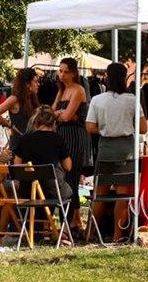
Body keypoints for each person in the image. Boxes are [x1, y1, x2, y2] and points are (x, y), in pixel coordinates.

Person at [85, 62, 148, 243]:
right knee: (123, 195)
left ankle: (91, 233)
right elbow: (144, 128)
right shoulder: (132, 100)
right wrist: (125, 126)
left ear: (106, 76)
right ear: (124, 78)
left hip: (106, 149)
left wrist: (106, 129)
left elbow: (89, 126)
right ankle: (117, 236)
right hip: (126, 150)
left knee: (100, 194)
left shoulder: (97, 100)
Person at [53, 57, 92, 230]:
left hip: (75, 136)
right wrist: (60, 113)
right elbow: (52, 112)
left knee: (71, 177)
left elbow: (67, 116)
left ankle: (71, 221)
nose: (62, 75)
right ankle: (74, 220)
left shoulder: (78, 90)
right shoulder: (62, 90)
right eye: (60, 71)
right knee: (66, 177)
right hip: (62, 135)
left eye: (65, 71)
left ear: (74, 73)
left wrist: (61, 114)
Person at [14, 105, 73, 207]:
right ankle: (49, 222)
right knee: (68, 192)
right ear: (54, 123)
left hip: (26, 192)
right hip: (50, 193)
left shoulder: (24, 139)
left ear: (35, 122)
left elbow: (16, 166)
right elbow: (68, 166)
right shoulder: (57, 139)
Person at [0, 67, 40, 152]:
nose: (38, 84)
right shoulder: (15, 99)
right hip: (19, 144)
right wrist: (10, 126)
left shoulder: (31, 98)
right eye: (35, 81)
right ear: (27, 84)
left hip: (32, 142)